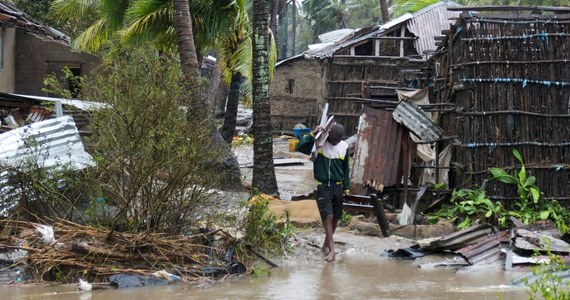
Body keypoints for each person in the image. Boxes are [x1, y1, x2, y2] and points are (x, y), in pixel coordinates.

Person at [297, 123, 350, 262]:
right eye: (332, 139)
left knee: (336, 217)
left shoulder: (344, 147)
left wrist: (347, 188)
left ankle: (326, 245)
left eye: (337, 140)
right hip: (324, 186)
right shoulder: (319, 144)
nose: (334, 142)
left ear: (341, 139)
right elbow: (300, 146)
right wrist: (313, 134)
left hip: (338, 187)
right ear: (329, 134)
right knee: (328, 216)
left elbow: (346, 169)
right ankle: (332, 250)